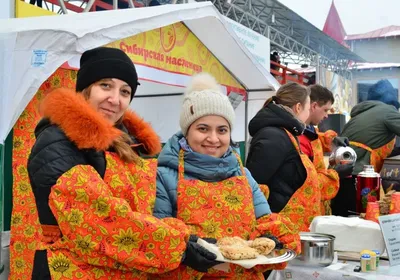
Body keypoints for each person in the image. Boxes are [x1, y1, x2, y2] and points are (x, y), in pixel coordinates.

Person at [18, 47, 215, 279]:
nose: (115, 99)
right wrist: (179, 248)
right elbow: (99, 219)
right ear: (85, 89)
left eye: (125, 91)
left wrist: (188, 238)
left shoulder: (126, 145)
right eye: (105, 86)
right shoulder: (58, 142)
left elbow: (142, 211)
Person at [153, 73, 300, 279]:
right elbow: (158, 236)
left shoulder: (243, 174)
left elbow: (264, 219)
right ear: (187, 132)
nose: (213, 138)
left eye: (222, 130)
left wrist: (270, 237)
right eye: (203, 128)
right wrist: (186, 250)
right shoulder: (163, 176)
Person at [246, 82, 321, 232]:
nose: (308, 114)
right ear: (298, 107)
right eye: (307, 109)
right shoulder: (274, 137)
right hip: (278, 225)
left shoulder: (285, 134)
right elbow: (254, 185)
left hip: (287, 223)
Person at [331, 98, 400, 216]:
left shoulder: (362, 114)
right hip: (359, 174)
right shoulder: (388, 111)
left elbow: (374, 144)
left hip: (340, 171)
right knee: (358, 217)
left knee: (340, 218)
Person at [298, 84, 353, 215]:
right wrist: (335, 174)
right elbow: (307, 184)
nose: (327, 116)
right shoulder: (298, 138)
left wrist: (332, 140)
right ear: (314, 106)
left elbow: (315, 139)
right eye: (325, 110)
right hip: (306, 211)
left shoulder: (308, 129)